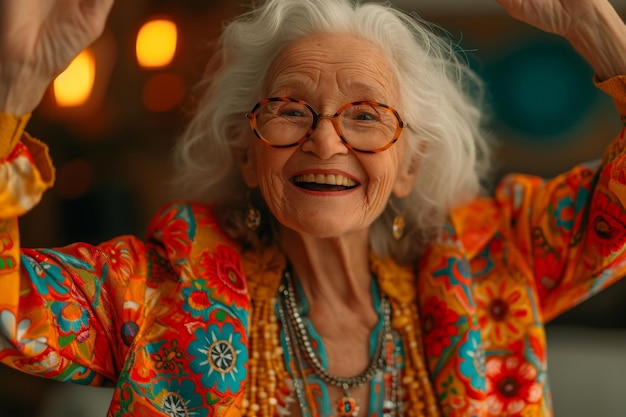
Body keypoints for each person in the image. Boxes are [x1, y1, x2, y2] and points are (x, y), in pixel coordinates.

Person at [1, 0, 625, 416]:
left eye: (365, 114)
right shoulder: (156, 292)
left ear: (410, 164)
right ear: (248, 155)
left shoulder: (495, 260)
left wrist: (601, 29)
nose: (325, 140)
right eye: (290, 109)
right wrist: (12, 89)